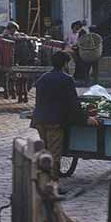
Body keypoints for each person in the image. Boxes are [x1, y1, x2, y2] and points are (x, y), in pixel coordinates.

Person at [31, 51, 83, 179]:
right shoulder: (67, 79)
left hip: (40, 119)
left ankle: (42, 178)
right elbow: (73, 103)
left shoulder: (43, 78)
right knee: (54, 154)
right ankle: (51, 182)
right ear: (65, 64)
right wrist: (85, 118)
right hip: (54, 122)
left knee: (44, 151)